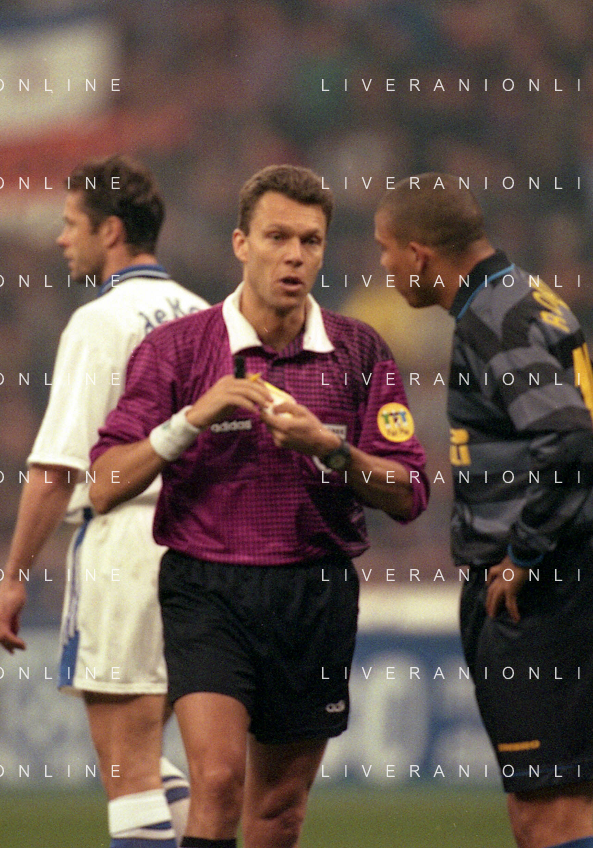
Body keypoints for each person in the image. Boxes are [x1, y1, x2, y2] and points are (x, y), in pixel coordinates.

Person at [89, 164, 428, 848]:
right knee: (217, 782)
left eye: (310, 240)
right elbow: (104, 482)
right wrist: (189, 420)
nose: (294, 255)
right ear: (241, 244)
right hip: (207, 587)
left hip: (314, 591)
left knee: (278, 811)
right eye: (277, 237)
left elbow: (409, 492)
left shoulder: (359, 350)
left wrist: (331, 448)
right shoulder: (179, 350)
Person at [374, 174, 593, 848]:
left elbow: (572, 438)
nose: (384, 267)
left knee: (548, 818)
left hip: (546, 592)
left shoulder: (490, 319)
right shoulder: (529, 296)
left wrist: (525, 550)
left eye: (386, 250)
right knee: (544, 812)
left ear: (419, 254)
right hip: (572, 577)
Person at [0, 154, 204, 847]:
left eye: (70, 223)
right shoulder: (210, 316)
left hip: (130, 545)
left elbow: (56, 470)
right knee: (150, 760)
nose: (61, 238)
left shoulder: (100, 320)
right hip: (209, 548)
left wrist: (14, 575)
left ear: (110, 231)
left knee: (127, 768)